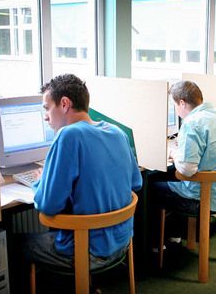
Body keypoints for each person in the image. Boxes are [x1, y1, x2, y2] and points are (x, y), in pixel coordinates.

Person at [22, 74, 142, 272]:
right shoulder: (117, 132)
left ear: (64, 103)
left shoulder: (69, 135)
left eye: (47, 108)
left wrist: (40, 181)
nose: (45, 116)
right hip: (122, 243)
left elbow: (48, 205)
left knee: (17, 243)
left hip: (87, 250)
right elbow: (136, 183)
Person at [152, 81, 216, 242]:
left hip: (204, 199)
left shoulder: (192, 123)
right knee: (172, 180)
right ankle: (175, 235)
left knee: (151, 187)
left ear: (182, 103)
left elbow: (186, 170)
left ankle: (157, 245)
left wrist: (173, 152)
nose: (176, 112)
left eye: (175, 106)